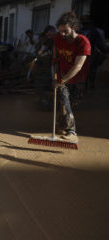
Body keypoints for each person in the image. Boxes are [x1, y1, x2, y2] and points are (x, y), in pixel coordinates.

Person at [52, 11, 91, 142]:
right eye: (60, 31)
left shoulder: (83, 42)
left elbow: (78, 66)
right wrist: (55, 71)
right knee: (64, 102)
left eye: (65, 31)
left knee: (71, 103)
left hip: (78, 78)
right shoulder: (58, 38)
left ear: (74, 27)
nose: (62, 34)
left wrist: (62, 79)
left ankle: (62, 124)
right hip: (62, 76)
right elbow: (55, 54)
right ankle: (71, 132)